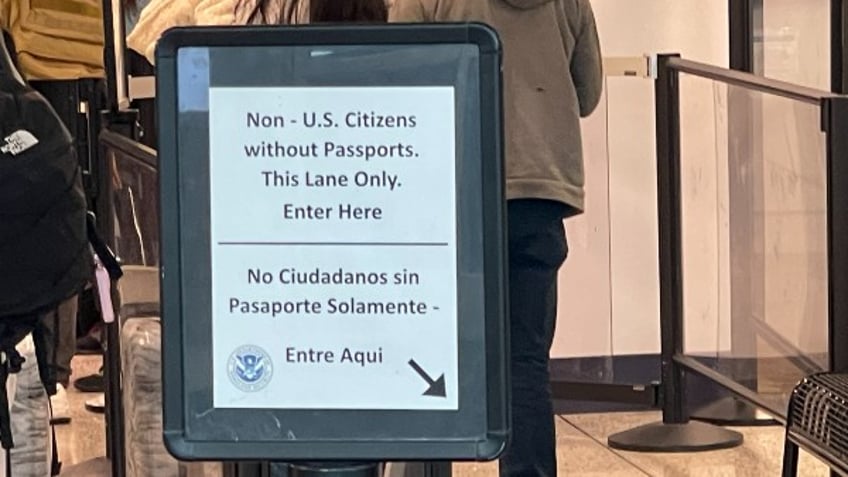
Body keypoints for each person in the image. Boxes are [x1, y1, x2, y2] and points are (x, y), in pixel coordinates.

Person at [391, 1, 603, 475]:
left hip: (453, 188)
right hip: (539, 189)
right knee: (524, 363)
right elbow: (587, 93)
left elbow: (396, 73)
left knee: (429, 349)